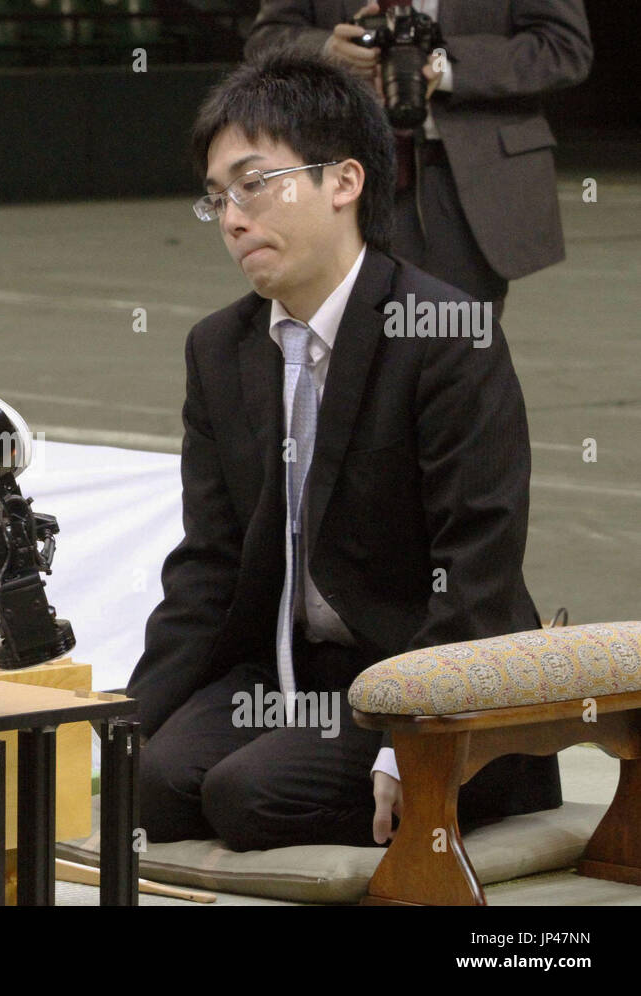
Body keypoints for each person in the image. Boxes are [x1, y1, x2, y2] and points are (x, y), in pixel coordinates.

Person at [127, 51, 561, 850]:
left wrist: (411, 739)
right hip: (295, 677)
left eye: (256, 184)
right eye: (217, 197)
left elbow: (477, 568)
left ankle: (477, 777)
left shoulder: (444, 333)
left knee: (247, 798)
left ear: (345, 181)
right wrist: (128, 721)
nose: (231, 216)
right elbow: (209, 564)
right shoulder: (220, 349)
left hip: (434, 671)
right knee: (154, 781)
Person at [245, 0, 593, 321]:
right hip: (334, 174)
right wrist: (324, 52)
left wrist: (443, 64)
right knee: (342, 347)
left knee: (455, 348)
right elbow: (265, 38)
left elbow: (563, 47)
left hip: (461, 183)